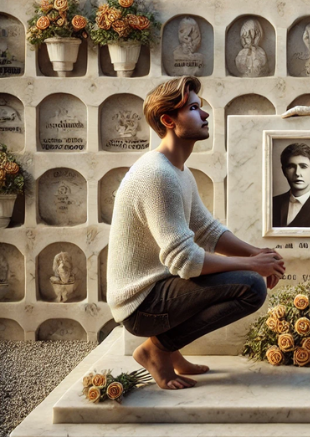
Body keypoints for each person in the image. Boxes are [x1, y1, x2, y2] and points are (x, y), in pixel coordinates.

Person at [107, 76, 285, 390]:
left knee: (247, 276)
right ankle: (155, 351)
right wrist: (251, 266)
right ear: (168, 120)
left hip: (159, 287)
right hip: (140, 303)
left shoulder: (177, 169)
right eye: (192, 108)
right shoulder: (157, 175)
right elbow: (186, 261)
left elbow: (207, 230)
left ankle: (169, 349)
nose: (204, 115)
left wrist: (255, 253)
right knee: (251, 287)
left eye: (200, 108)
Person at [272, 142, 310, 228]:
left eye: (303, 166)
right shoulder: (272, 204)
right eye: (291, 166)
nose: (297, 173)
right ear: (284, 171)